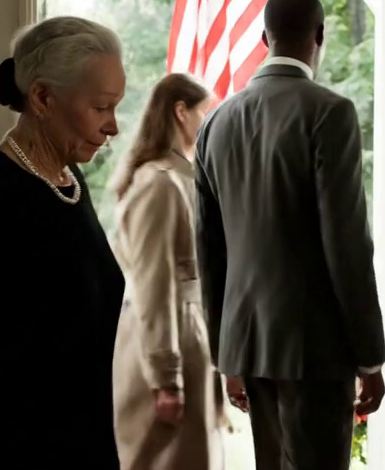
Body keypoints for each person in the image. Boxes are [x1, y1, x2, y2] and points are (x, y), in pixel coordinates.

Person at [194, 0, 385, 469]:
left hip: (249, 344)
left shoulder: (215, 124)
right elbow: (347, 246)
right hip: (316, 349)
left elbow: (210, 250)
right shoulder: (330, 112)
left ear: (265, 39)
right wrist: (370, 358)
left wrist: (226, 355)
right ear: (319, 35)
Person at [0, 16, 126, 470]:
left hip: (82, 441)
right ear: (42, 97)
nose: (113, 126)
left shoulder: (67, 180)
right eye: (101, 107)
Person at [109, 73, 224, 470]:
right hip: (165, 341)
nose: (210, 122)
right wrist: (166, 377)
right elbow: (153, 284)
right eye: (205, 112)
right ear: (181, 112)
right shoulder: (160, 184)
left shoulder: (180, 178)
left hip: (186, 337)